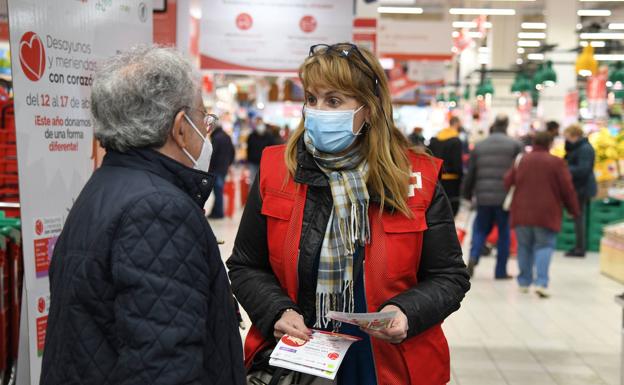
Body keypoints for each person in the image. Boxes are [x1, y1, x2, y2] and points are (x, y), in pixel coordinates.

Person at [227, 42, 470, 385]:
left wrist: (406, 311)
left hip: (386, 362)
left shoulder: (416, 178)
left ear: (367, 110)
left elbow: (449, 276)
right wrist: (276, 310)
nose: (318, 110)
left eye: (334, 101)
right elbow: (246, 265)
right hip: (300, 357)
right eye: (311, 99)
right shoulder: (277, 169)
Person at [39, 47, 245, 385]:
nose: (206, 131)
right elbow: (165, 366)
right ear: (181, 127)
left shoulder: (106, 185)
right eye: (204, 118)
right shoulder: (160, 210)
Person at [504, 131, 580, 298]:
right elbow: (567, 189)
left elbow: (507, 181)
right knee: (544, 246)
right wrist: (573, 210)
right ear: (550, 143)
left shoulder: (521, 160)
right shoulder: (556, 162)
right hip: (547, 212)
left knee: (524, 246)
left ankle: (523, 282)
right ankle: (541, 283)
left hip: (521, 211)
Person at [462, 114, 523, 279]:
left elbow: (471, 173)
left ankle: (474, 256)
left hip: (482, 196)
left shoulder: (480, 146)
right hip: (505, 197)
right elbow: (520, 172)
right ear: (506, 126)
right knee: (504, 233)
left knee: (480, 229)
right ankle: (500, 271)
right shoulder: (515, 145)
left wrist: (466, 193)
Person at [563, 124, 597, 257]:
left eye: (567, 137)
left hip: (582, 187)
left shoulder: (585, 149)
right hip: (579, 186)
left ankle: (580, 248)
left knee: (579, 216)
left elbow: (583, 169)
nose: (566, 140)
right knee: (578, 216)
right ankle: (578, 246)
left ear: (574, 135)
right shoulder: (579, 147)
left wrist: (565, 169)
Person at [428, 116, 464, 216]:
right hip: (452, 181)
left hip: (437, 180)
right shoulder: (456, 141)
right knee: (451, 210)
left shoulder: (435, 140)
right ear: (456, 124)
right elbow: (457, 165)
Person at [207, 124, 235, 219]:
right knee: (219, 191)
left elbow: (212, 154)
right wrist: (228, 163)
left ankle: (219, 213)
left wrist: (209, 166)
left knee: (218, 191)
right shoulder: (227, 136)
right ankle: (216, 211)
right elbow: (232, 152)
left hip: (216, 168)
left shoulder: (216, 138)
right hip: (223, 168)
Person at [247, 116, 276, 181]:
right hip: (253, 162)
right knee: (252, 181)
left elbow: (272, 150)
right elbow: (249, 149)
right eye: (257, 124)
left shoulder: (269, 136)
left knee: (263, 181)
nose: (259, 125)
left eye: (260, 123)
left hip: (265, 163)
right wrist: (248, 161)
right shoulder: (251, 136)